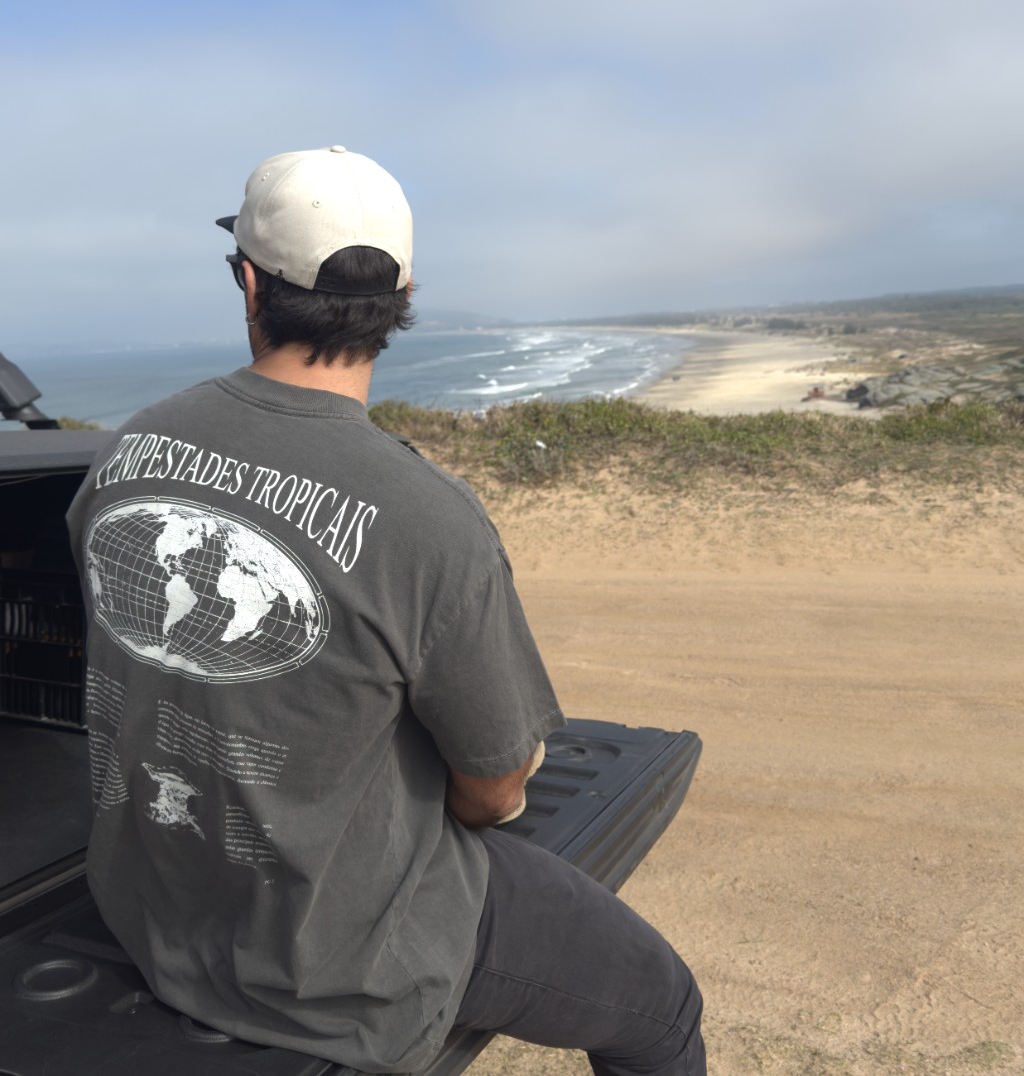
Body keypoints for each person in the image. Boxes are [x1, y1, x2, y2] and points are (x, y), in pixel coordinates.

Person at [67, 145, 705, 1075]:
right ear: (402, 294)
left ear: (250, 283)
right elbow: (496, 789)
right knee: (662, 1007)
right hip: (339, 974)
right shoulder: (426, 518)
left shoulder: (126, 452)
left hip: (153, 910)